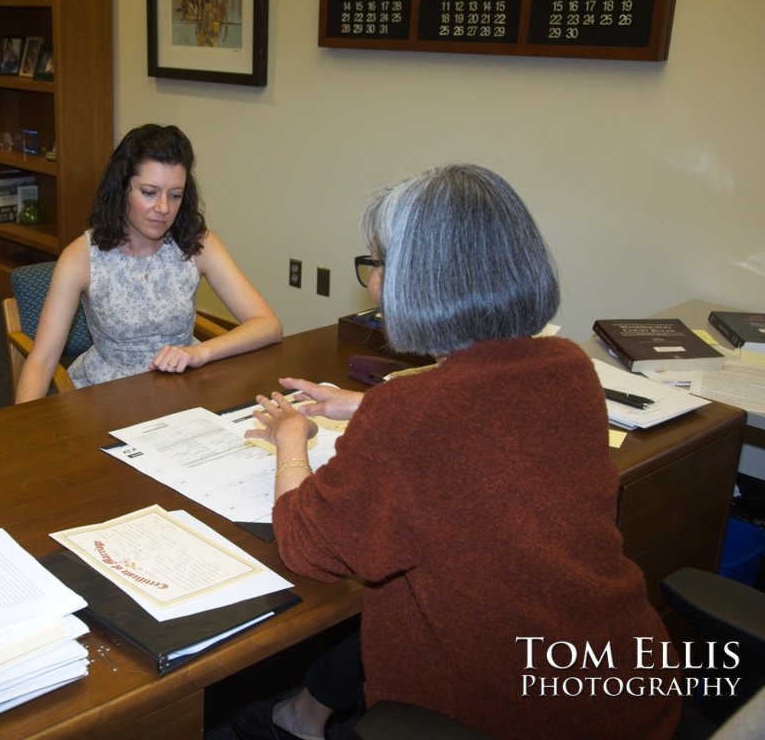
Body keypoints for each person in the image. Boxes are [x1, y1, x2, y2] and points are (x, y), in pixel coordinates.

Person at [235, 164, 680, 739]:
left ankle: (296, 718)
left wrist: (290, 439)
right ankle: (306, 714)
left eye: (377, 264)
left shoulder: (416, 413)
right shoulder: (569, 367)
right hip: (623, 682)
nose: (372, 281)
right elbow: (473, 432)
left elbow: (306, 547)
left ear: (417, 280)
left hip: (513, 713)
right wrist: (365, 404)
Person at [14, 124, 282, 403]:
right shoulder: (81, 258)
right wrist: (20, 431)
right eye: (149, 192)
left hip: (185, 388)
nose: (163, 208)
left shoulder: (198, 243)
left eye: (175, 195)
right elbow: (43, 360)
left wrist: (199, 352)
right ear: (122, 189)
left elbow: (268, 325)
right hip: (109, 396)